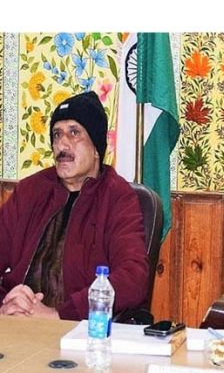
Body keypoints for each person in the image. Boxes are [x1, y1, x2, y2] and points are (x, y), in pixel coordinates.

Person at [0, 91, 149, 320]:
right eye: (57, 134)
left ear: (97, 148)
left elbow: (133, 278)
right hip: (15, 321)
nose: (62, 144)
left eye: (74, 132)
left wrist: (58, 314)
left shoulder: (118, 198)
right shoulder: (30, 191)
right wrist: (8, 303)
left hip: (78, 328)